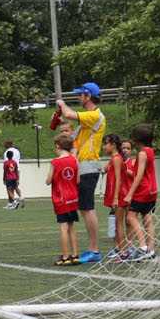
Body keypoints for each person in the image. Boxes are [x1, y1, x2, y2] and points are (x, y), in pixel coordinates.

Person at [55, 82, 106, 264]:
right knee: (85, 209)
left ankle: (94, 249)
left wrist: (61, 104)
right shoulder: (89, 118)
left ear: (88, 96)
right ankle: (93, 249)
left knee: (88, 209)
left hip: (88, 167)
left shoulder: (94, 115)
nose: (78, 98)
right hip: (84, 167)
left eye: (81, 95)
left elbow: (69, 113)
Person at [122, 123, 159, 261]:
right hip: (152, 189)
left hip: (143, 190)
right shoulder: (150, 151)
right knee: (147, 220)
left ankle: (143, 248)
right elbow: (140, 172)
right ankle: (151, 250)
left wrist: (130, 193)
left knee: (131, 217)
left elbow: (139, 175)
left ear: (136, 139)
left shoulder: (142, 154)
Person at [48, 133, 80, 266]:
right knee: (71, 226)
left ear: (57, 146)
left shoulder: (55, 162)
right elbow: (77, 180)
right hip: (73, 197)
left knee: (63, 226)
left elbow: (49, 181)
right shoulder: (74, 160)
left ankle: (65, 256)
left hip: (61, 198)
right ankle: (75, 255)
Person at [101, 133, 128, 259]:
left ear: (113, 145)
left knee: (119, 224)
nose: (104, 147)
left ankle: (123, 252)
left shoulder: (117, 159)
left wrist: (116, 198)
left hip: (119, 195)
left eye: (106, 144)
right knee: (116, 223)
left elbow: (118, 179)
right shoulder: (113, 159)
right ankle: (119, 249)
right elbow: (104, 169)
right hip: (114, 194)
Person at [3, 139, 24, 208]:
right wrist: (18, 178)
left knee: (9, 189)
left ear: (8, 144)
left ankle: (12, 203)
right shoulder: (17, 151)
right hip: (16, 171)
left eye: (5, 143)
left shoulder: (7, 152)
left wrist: (4, 177)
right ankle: (21, 197)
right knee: (15, 187)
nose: (4, 145)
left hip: (9, 173)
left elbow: (7, 166)